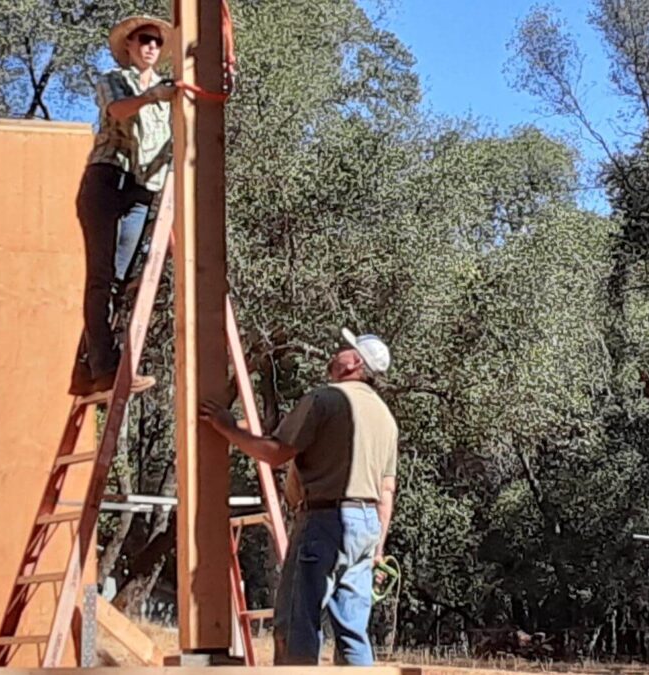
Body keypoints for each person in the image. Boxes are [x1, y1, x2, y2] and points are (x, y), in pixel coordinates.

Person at [201, 328, 399, 666]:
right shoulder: (385, 417)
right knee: (353, 631)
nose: (336, 353)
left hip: (325, 521)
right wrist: (377, 548)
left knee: (296, 624)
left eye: (344, 350)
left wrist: (227, 428)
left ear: (354, 363)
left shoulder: (325, 400)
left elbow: (276, 453)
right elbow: (386, 490)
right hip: (365, 528)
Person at [69, 15, 178, 399]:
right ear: (129, 46)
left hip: (139, 190)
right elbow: (117, 110)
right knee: (102, 276)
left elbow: (170, 146)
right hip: (105, 180)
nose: (151, 46)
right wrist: (152, 96)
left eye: (156, 42)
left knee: (120, 278)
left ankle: (87, 370)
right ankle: (107, 367)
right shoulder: (113, 78)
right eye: (143, 40)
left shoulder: (170, 99)